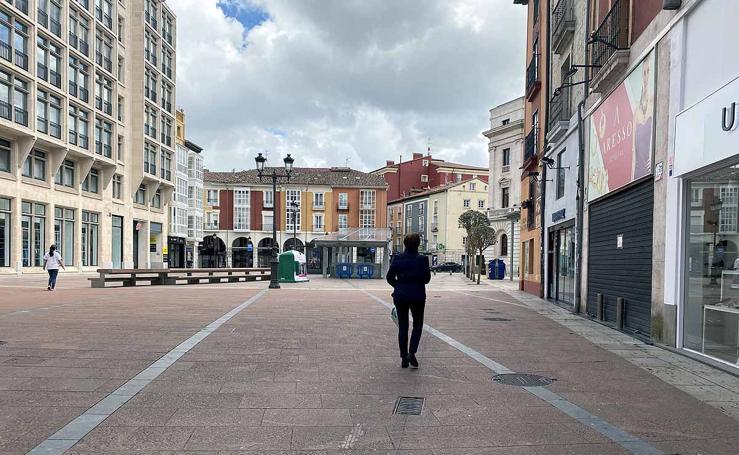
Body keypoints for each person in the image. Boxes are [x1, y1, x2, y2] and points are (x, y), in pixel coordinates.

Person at [386, 233, 431, 369]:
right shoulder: (422, 259)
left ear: (405, 244)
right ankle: (412, 352)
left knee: (403, 326)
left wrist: (398, 285)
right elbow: (427, 279)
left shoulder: (398, 258)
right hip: (417, 295)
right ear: (418, 245)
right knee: (417, 325)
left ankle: (403, 357)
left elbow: (389, 277)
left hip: (401, 296)